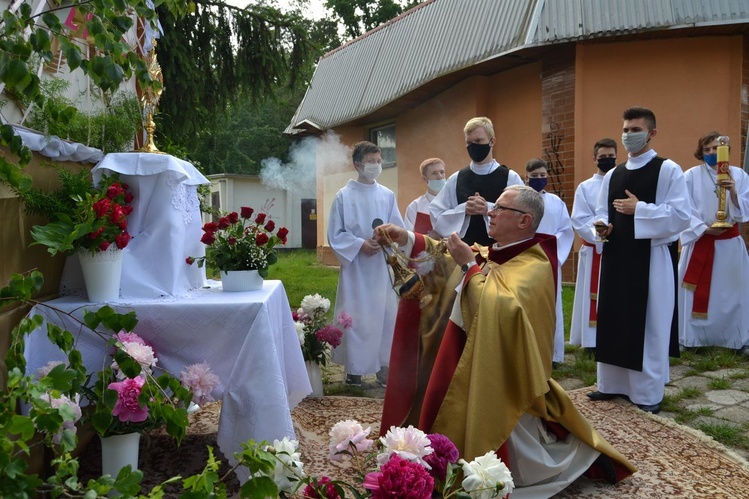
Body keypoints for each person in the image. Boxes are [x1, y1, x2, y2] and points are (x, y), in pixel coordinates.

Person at [377, 185, 636, 497]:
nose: (490, 212)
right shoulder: (497, 251)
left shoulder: (535, 266)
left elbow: (502, 309)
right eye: (493, 206)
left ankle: (571, 461)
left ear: (524, 221)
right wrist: (405, 237)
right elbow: (445, 255)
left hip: (508, 378)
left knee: (527, 462)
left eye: (499, 208)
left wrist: (468, 268)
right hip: (479, 360)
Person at [589, 107, 691, 414]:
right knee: (614, 316)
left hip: (651, 259)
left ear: (651, 133)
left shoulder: (668, 169)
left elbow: (682, 216)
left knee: (648, 323)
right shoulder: (614, 175)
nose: (629, 135)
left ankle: (647, 394)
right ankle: (611, 385)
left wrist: (641, 210)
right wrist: (601, 228)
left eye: (635, 129)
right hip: (617, 256)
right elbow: (600, 212)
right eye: (626, 129)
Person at [327, 141, 405, 387]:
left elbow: (398, 228)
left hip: (381, 266)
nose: (376, 166)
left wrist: (384, 241)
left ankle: (384, 366)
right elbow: (335, 234)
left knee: (385, 314)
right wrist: (360, 244)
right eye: (372, 161)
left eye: (379, 161)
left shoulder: (387, 195)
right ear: (358, 164)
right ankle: (355, 369)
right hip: (357, 268)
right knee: (357, 315)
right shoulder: (343, 196)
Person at [677, 132, 749, 353]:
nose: (711, 153)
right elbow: (683, 208)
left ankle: (735, 339)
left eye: (716, 149)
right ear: (701, 151)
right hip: (700, 240)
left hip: (729, 245)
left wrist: (734, 191)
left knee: (733, 293)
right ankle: (692, 339)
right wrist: (703, 228)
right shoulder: (690, 175)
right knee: (690, 291)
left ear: (725, 150)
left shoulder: (738, 174)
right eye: (707, 149)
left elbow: (745, 210)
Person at [429, 116, 523, 245]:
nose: (473, 146)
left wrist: (488, 209)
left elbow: (522, 216)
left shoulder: (510, 177)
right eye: (469, 143)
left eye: (478, 141)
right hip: (464, 253)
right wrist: (464, 209)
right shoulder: (456, 179)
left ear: (492, 141)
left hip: (501, 252)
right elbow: (437, 214)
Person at [569, 139, 618, 352]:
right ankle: (591, 341)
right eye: (603, 157)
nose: (607, 160)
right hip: (593, 250)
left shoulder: (622, 181)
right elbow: (579, 219)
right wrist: (601, 235)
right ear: (594, 159)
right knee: (592, 292)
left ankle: (615, 335)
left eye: (611, 156)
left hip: (619, 249)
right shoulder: (585, 187)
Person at [525, 158, 573, 365]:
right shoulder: (520, 199)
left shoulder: (556, 202)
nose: (539, 179)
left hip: (550, 258)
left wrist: (552, 251)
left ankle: (552, 354)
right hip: (524, 256)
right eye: (534, 176)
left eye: (542, 175)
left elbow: (566, 230)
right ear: (526, 176)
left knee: (551, 304)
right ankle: (527, 352)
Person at [404, 158, 446, 237]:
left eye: (442, 172)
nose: (439, 176)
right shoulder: (415, 206)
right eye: (434, 173)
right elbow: (408, 237)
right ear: (424, 179)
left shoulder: (453, 201)